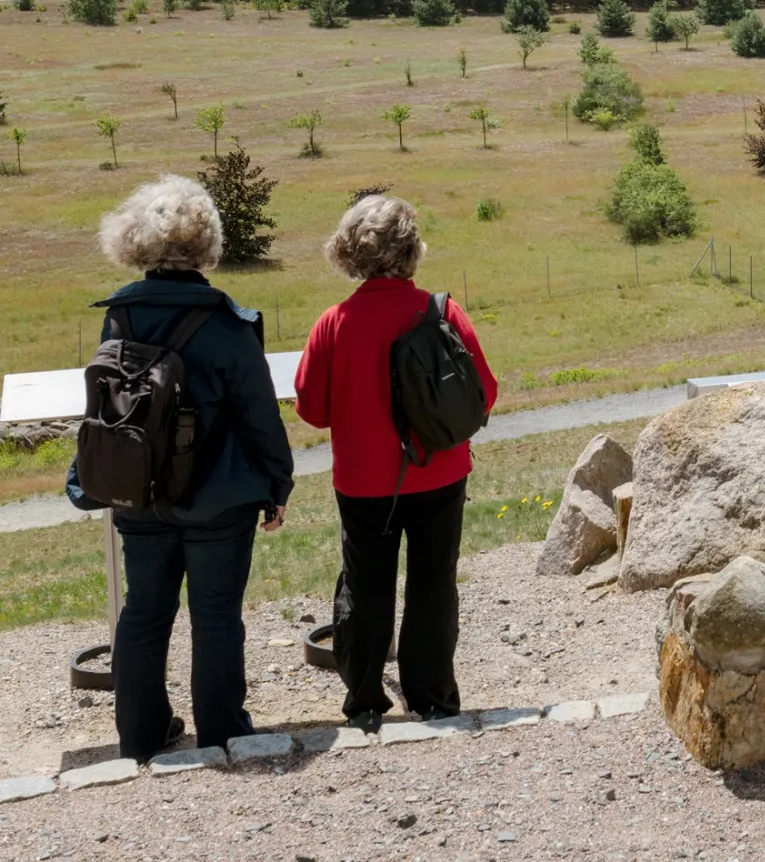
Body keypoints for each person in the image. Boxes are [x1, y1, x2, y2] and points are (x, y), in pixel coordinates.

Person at [66, 176, 293, 761]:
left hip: (137, 494)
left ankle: (140, 736)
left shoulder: (119, 317)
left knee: (144, 612)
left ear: (137, 241)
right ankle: (221, 731)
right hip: (220, 499)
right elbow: (259, 418)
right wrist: (277, 485)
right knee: (216, 615)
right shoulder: (229, 324)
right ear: (208, 245)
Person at [295, 195, 497, 730]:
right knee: (434, 583)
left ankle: (363, 700)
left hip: (363, 482)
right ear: (412, 250)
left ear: (349, 254)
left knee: (365, 586)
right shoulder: (443, 313)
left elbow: (311, 410)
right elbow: (485, 394)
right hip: (441, 471)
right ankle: (432, 697)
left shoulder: (332, 323)